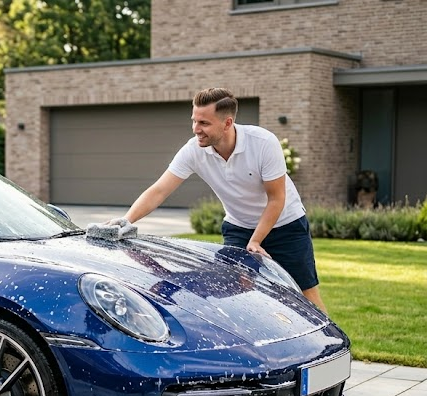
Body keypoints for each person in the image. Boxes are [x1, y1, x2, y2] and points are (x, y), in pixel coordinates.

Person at [119, 87, 326, 312]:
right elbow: (159, 190)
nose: (196, 129)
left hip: (286, 224)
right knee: (237, 293)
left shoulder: (263, 143)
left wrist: (256, 241)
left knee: (304, 293)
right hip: (239, 226)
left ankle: (333, 344)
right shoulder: (194, 150)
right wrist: (127, 221)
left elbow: (277, 198)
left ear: (227, 123)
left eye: (204, 123)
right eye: (194, 121)